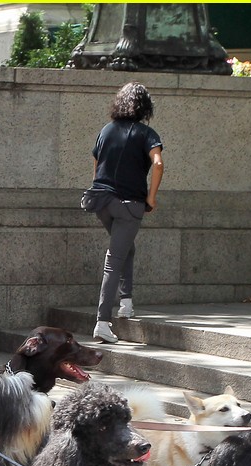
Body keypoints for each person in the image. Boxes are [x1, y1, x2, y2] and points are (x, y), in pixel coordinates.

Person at [87, 82, 164, 345]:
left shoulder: (105, 131)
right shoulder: (147, 134)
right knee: (115, 258)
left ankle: (126, 301)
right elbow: (158, 164)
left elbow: (96, 167)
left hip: (101, 201)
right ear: (145, 107)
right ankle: (102, 322)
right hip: (129, 204)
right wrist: (151, 197)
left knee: (126, 248)